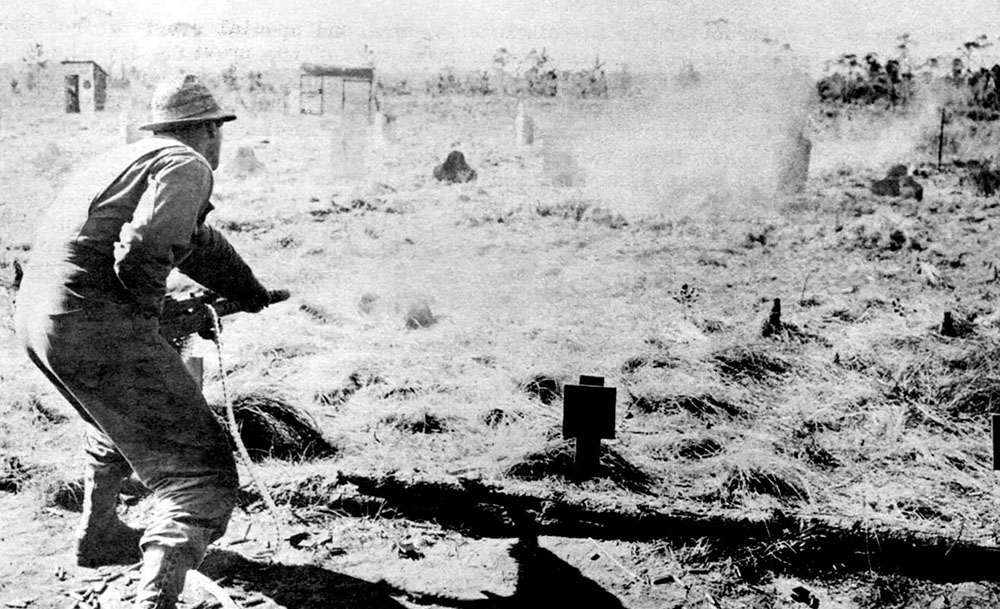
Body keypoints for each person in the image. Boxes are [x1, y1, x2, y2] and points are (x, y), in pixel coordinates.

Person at [14, 73, 271, 607]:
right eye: (218, 131)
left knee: (113, 417)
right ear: (209, 130)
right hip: (90, 320)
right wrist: (147, 317)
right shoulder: (187, 163)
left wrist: (249, 292)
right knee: (200, 472)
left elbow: (196, 243)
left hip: (38, 316)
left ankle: (100, 534)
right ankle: (154, 600)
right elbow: (146, 249)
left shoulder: (124, 159)